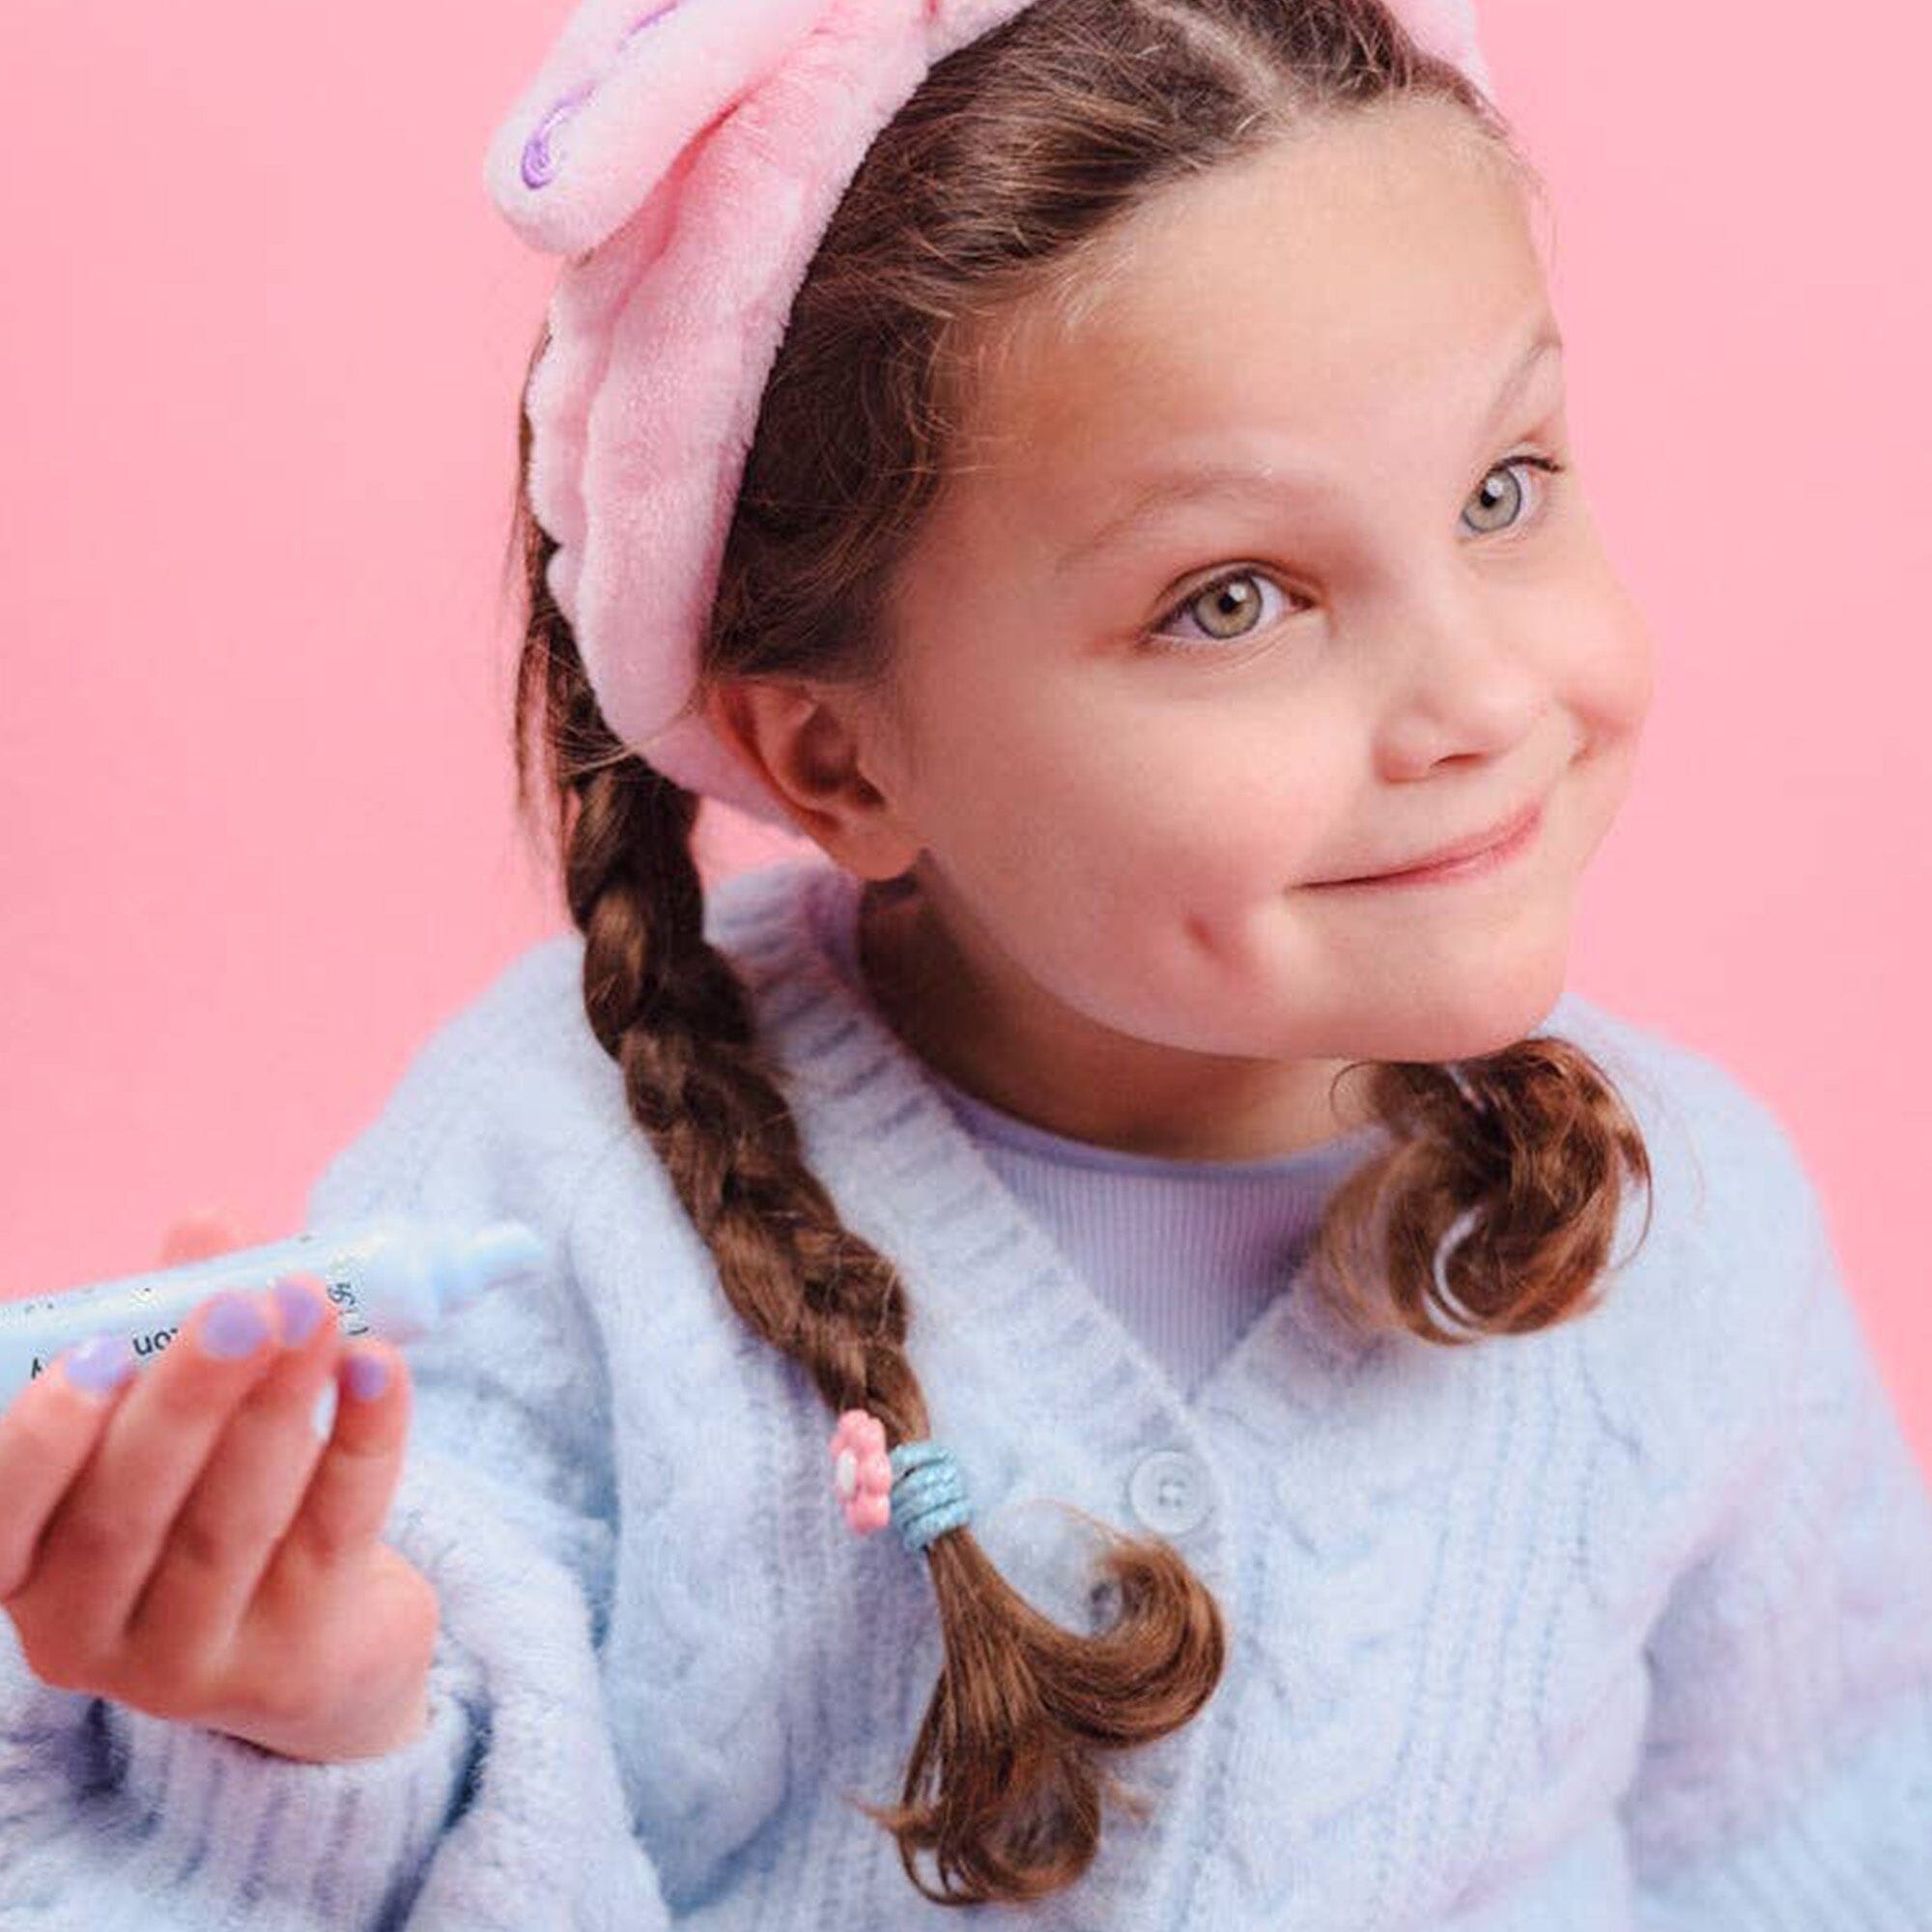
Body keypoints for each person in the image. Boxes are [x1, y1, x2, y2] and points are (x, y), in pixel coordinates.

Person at [4, 0, 1929, 1924]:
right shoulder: (562, 1199)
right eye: (1231, 600)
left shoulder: (1699, 1238)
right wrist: (315, 1737)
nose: (1483, 700)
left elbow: (1824, 1847)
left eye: (1501, 491)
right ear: (834, 761)